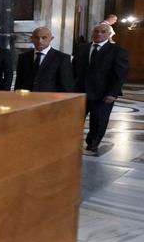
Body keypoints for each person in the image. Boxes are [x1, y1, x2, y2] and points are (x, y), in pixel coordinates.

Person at [73, 22, 129, 153]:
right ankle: (72, 141)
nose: (99, 34)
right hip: (80, 91)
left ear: (109, 35)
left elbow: (119, 74)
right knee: (74, 118)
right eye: (96, 31)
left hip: (103, 93)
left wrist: (113, 93)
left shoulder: (117, 51)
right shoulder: (82, 48)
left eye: (103, 32)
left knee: (98, 121)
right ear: (92, 33)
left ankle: (93, 144)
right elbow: (73, 69)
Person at [14, 27, 74, 93]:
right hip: (27, 97)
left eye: (44, 38)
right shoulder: (23, 57)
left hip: (50, 98)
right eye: (36, 38)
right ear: (32, 39)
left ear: (51, 39)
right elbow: (19, 83)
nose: (40, 41)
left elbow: (67, 86)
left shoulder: (62, 58)